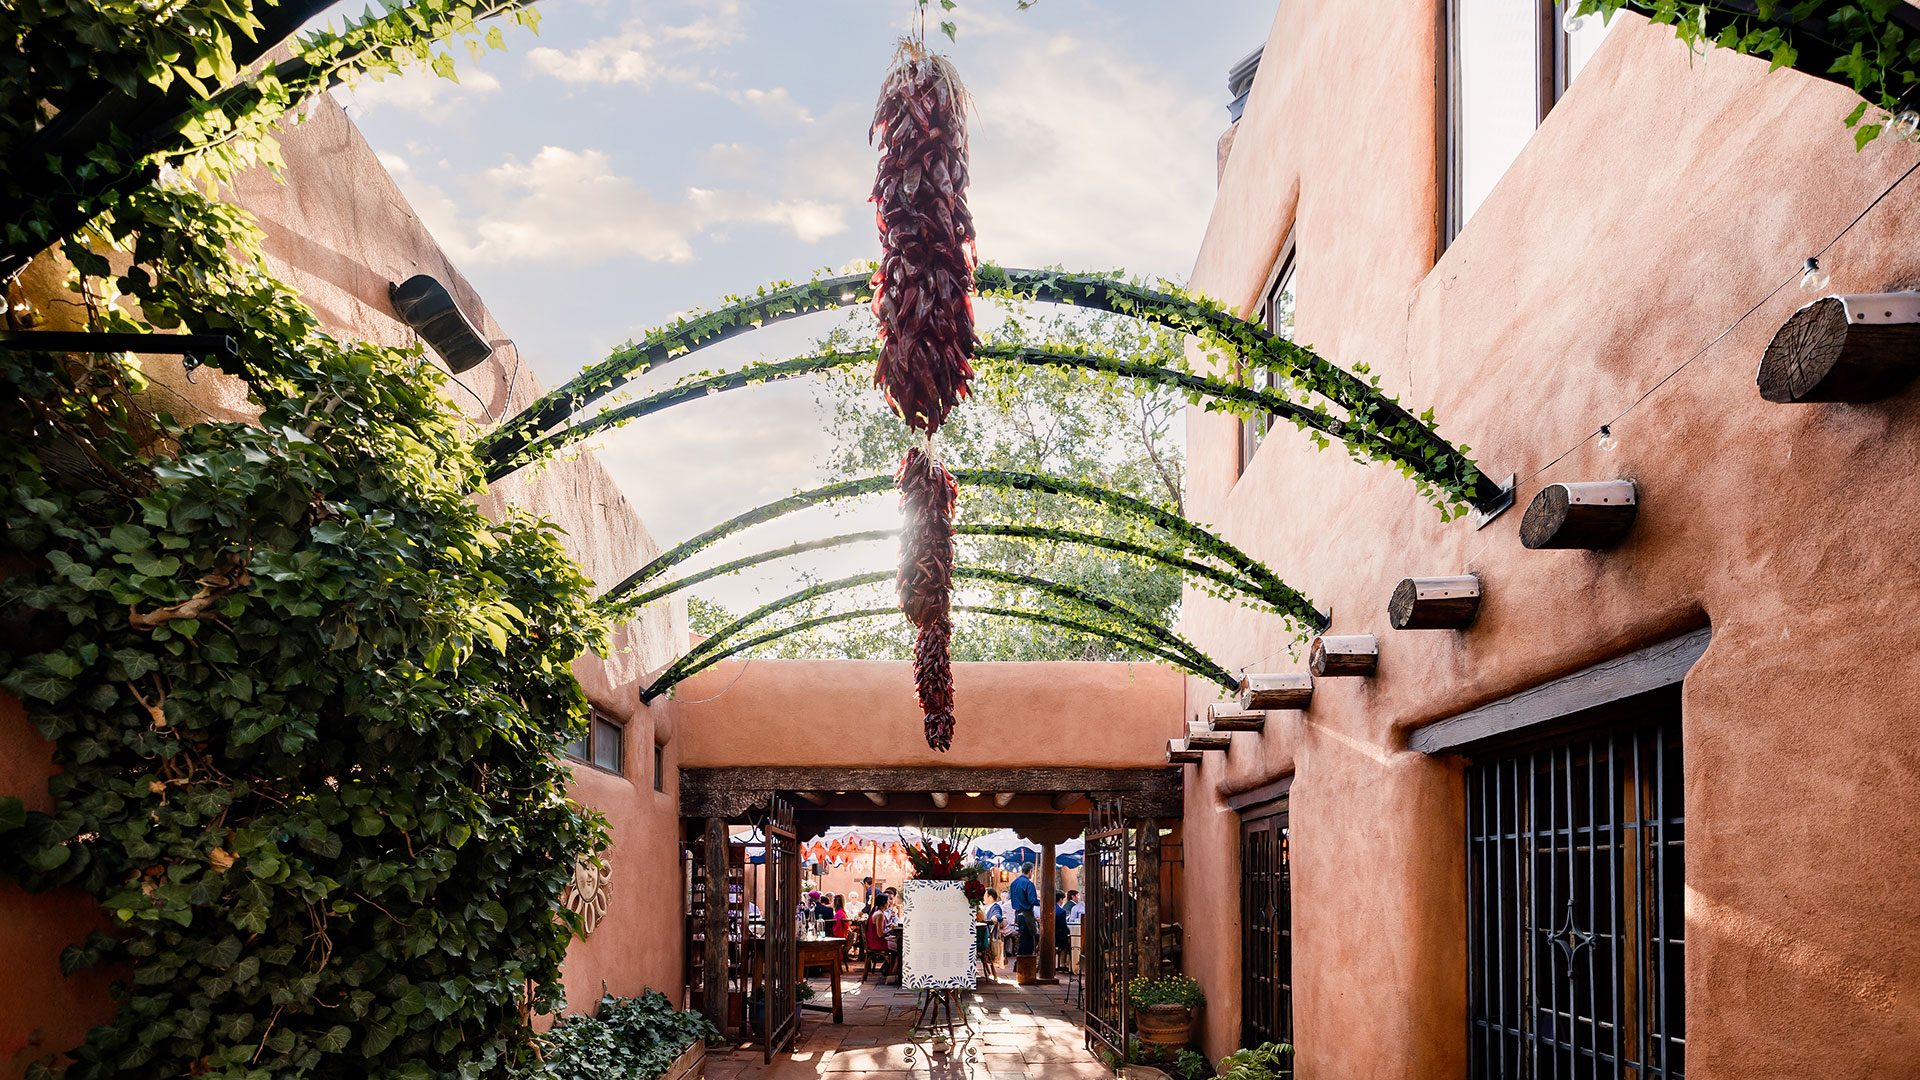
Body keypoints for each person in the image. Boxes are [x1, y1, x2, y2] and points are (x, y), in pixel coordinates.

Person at [864, 893, 898, 979]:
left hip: (876, 941)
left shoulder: (878, 912)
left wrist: (889, 922)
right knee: (901, 948)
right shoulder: (879, 914)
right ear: (884, 903)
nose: (889, 903)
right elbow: (880, 934)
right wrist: (891, 929)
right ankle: (892, 974)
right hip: (877, 943)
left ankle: (890, 970)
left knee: (898, 942)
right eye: (887, 901)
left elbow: (880, 927)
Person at [1010, 863, 1038, 958]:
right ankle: (1022, 963)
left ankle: (1020, 962)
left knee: (1022, 939)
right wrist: (1043, 902)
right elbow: (1032, 900)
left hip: (1017, 914)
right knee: (1027, 941)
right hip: (1026, 914)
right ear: (1030, 871)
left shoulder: (1013, 883)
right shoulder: (1028, 884)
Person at [980, 888, 1007, 979]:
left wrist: (994, 918)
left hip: (987, 936)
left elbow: (998, 916)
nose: (983, 898)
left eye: (985, 896)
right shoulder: (986, 907)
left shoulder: (995, 907)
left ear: (990, 897)